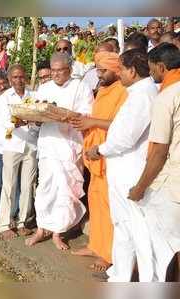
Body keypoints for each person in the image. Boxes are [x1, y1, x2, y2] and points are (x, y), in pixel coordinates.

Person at [85, 49, 158, 282]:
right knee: (123, 226)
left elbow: (125, 137)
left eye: (122, 69)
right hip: (121, 170)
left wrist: (100, 150)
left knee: (137, 230)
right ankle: (120, 275)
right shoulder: (138, 92)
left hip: (130, 172)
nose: (121, 74)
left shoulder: (142, 94)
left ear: (132, 71)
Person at [25, 52, 93, 250]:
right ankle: (41, 228)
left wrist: (63, 115)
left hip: (69, 145)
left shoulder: (81, 86)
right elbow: (36, 114)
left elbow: (87, 114)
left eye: (59, 71)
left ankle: (58, 232)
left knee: (65, 190)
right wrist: (34, 117)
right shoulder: (44, 88)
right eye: (53, 71)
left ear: (69, 70)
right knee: (45, 188)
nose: (55, 74)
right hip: (48, 144)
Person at [70, 51, 127, 272]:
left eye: (103, 70)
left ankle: (108, 254)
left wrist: (90, 122)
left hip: (109, 155)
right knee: (96, 203)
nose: (99, 74)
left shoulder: (123, 91)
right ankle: (96, 245)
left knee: (108, 206)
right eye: (97, 70)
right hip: (94, 156)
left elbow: (122, 125)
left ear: (116, 69)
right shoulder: (103, 89)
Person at [128, 43, 180, 281]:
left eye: (152, 70)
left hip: (172, 186)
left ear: (162, 66)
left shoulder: (167, 96)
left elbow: (159, 151)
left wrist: (139, 188)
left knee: (168, 248)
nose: (151, 75)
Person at [0, 64, 39, 240]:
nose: (19, 80)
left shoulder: (34, 96)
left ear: (26, 77)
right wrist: (17, 123)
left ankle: (22, 222)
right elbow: (2, 123)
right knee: (9, 185)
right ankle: (5, 224)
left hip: (30, 144)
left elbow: (38, 120)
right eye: (15, 77)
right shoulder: (4, 98)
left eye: (21, 77)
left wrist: (35, 123)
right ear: (9, 79)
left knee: (28, 185)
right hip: (12, 145)